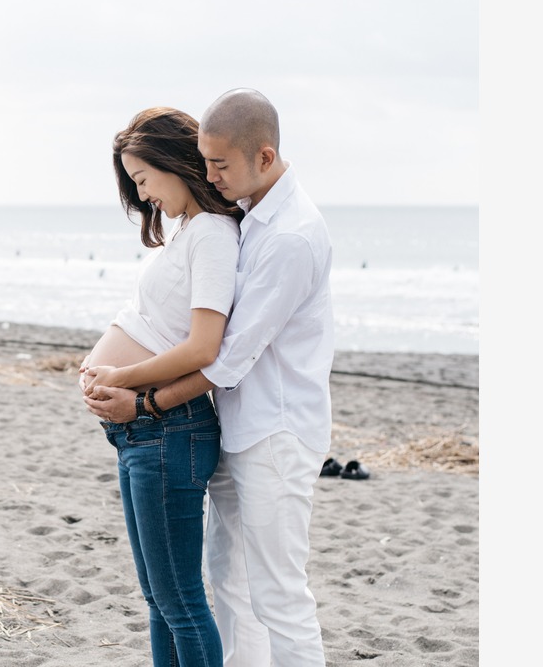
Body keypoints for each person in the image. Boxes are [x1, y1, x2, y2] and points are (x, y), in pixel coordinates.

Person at [84, 88, 334, 667]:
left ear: (264, 157)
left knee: (278, 594)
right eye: (205, 161)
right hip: (236, 425)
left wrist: (141, 401)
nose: (210, 174)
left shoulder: (290, 236)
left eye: (219, 164)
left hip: (275, 430)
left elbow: (225, 355)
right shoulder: (246, 219)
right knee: (230, 585)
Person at [79, 106, 242, 667]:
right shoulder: (189, 232)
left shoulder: (214, 236)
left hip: (171, 431)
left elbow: (203, 347)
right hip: (140, 432)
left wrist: (120, 377)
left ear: (176, 164)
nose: (145, 196)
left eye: (144, 179)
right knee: (158, 597)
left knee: (181, 601)